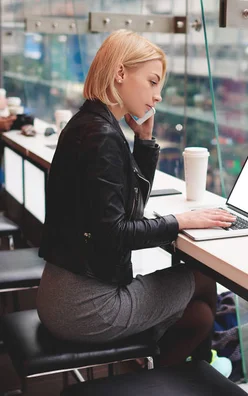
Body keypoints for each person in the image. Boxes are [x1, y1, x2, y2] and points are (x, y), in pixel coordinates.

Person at [36, 30, 236, 369]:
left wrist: (144, 140)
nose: (157, 96)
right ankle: (186, 378)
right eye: (153, 82)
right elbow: (114, 234)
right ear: (120, 73)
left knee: (199, 316)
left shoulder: (89, 123)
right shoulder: (101, 136)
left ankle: (169, 381)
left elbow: (130, 210)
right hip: (86, 305)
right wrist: (181, 222)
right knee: (203, 280)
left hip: (60, 293)